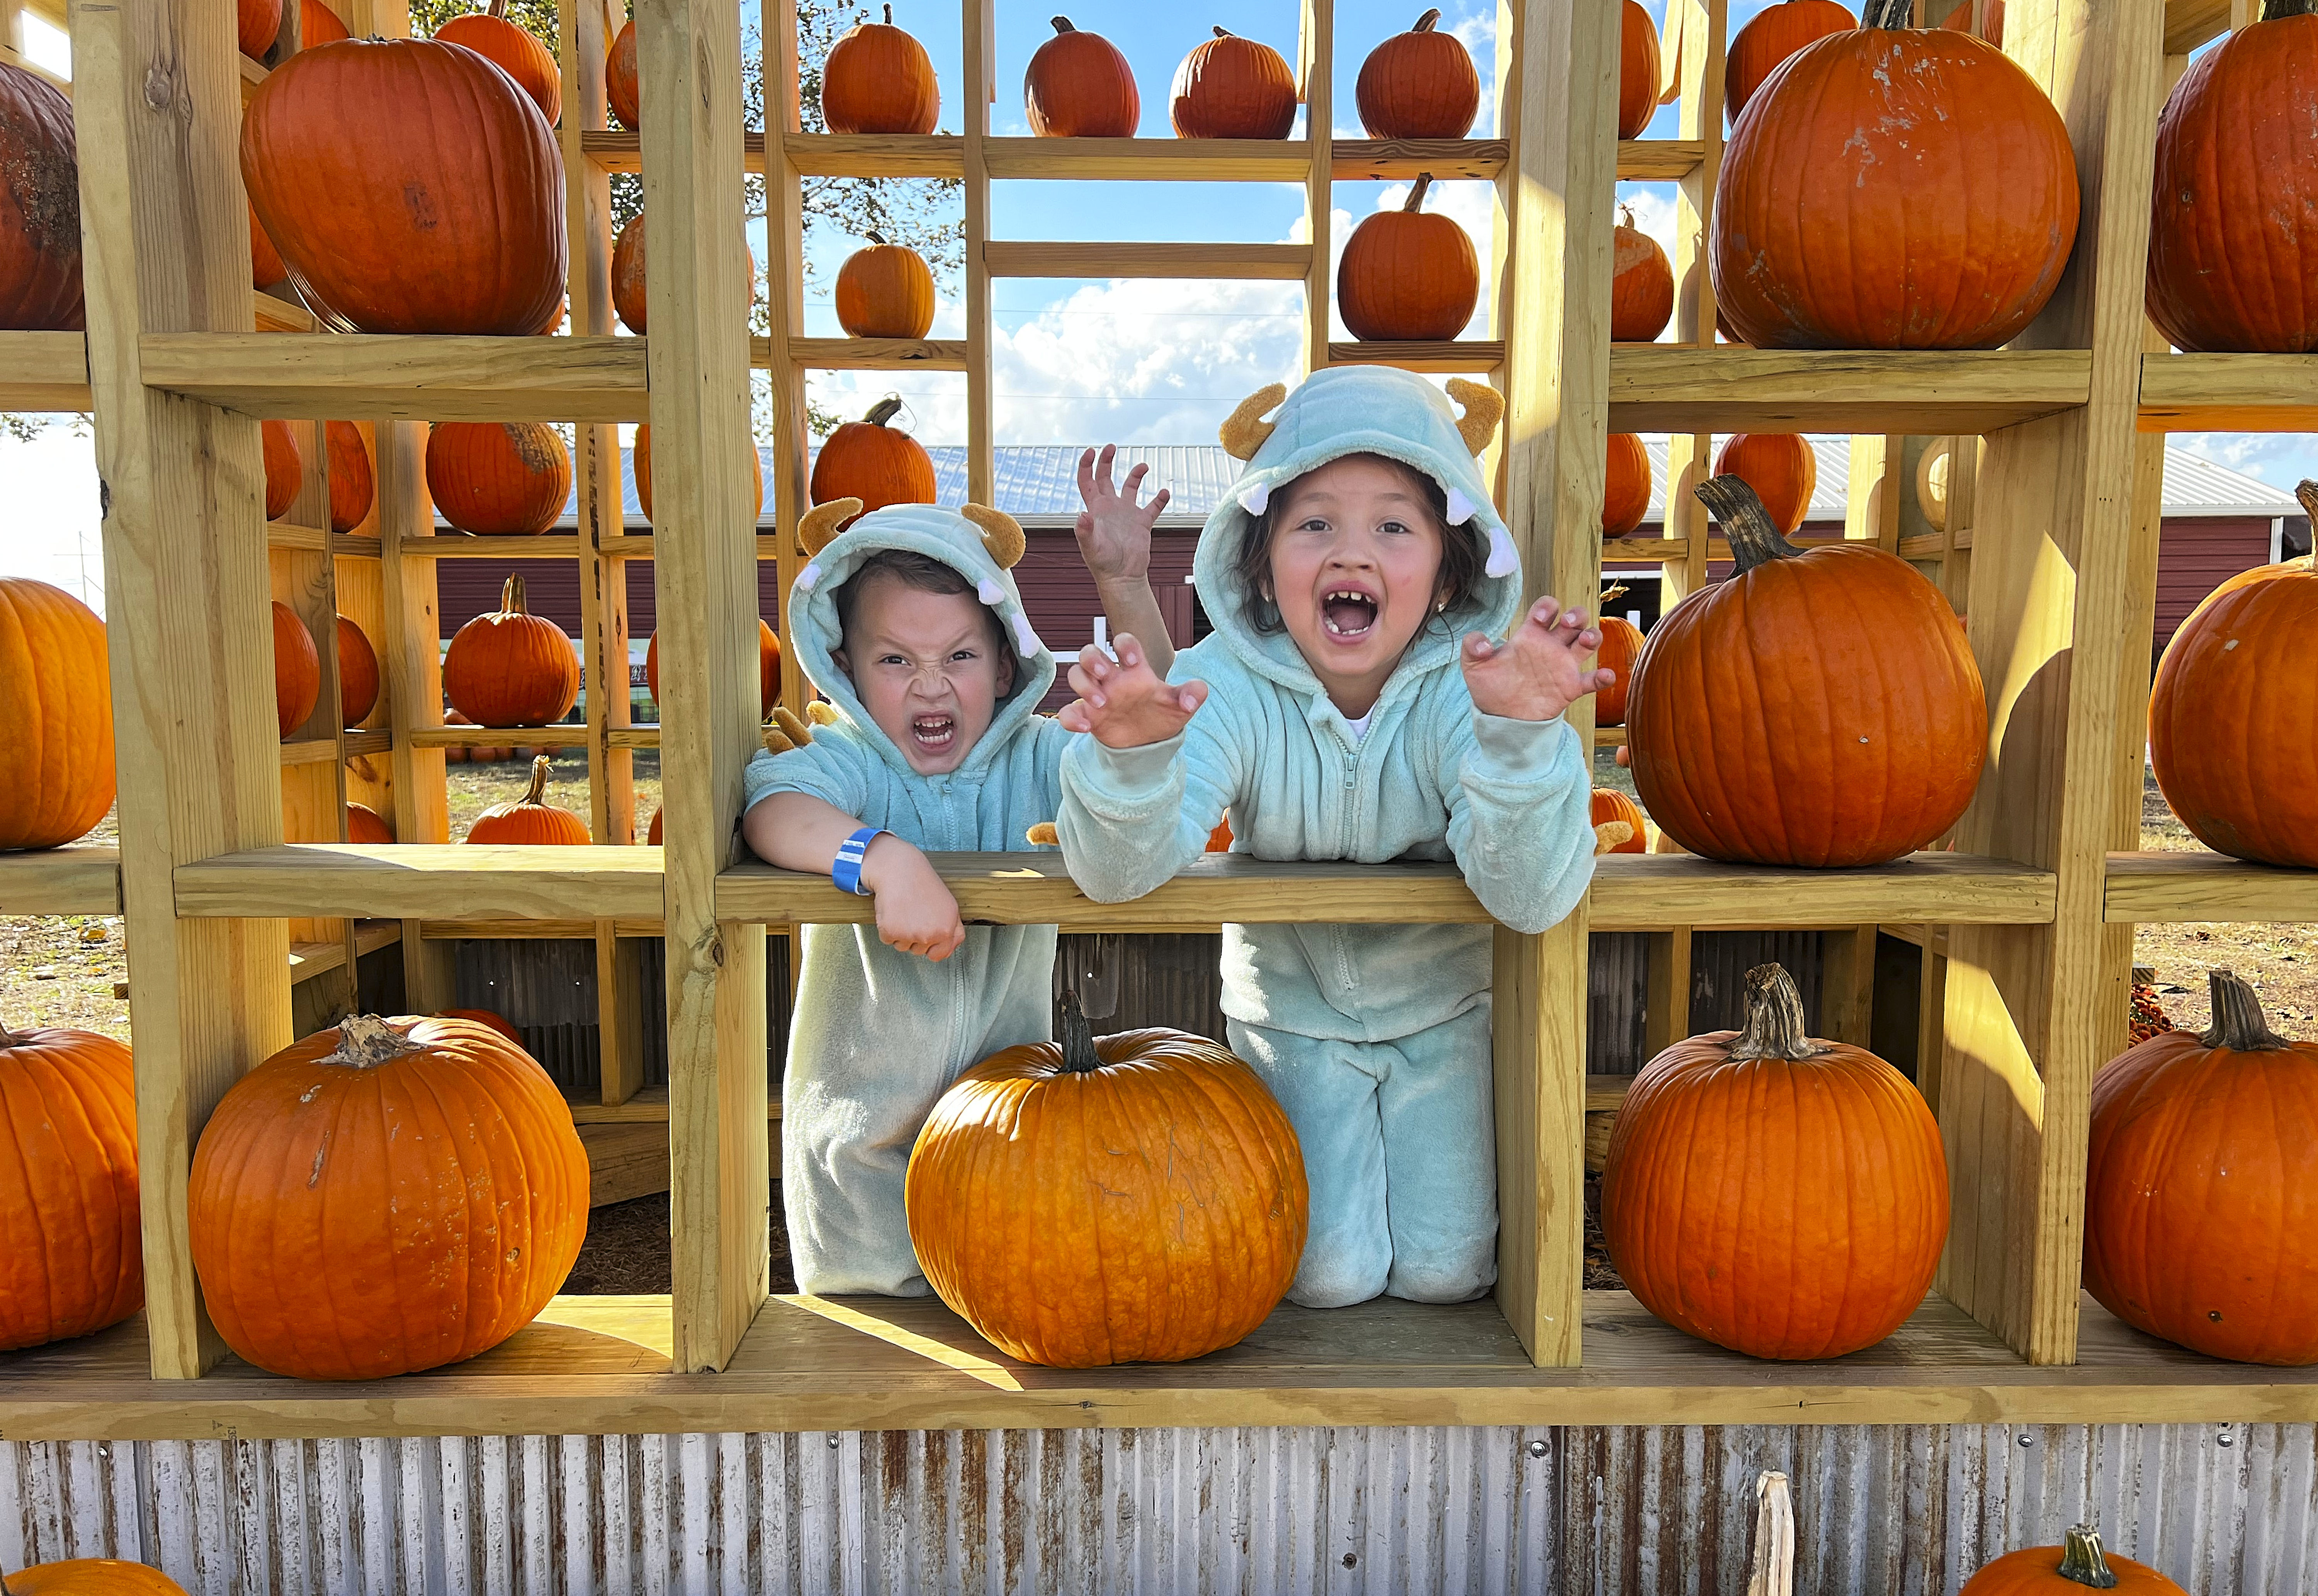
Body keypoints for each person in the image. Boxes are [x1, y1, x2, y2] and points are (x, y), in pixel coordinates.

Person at [1054, 367, 1607, 1309]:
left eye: (1394, 526)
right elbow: (1119, 876)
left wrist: (1517, 738)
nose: (1352, 551)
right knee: (1325, 1276)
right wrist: (1138, 762)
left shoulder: (1457, 689)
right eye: (1315, 523)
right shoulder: (1227, 683)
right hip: (1292, 1024)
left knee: (1450, 1271)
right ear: (1260, 560)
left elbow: (1531, 894)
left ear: (1447, 567)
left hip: (1442, 1016)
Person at [741, 452, 1173, 1296]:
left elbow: (1149, 731)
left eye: (961, 657)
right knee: (872, 1356)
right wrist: (881, 857)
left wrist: (1126, 590)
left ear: (1008, 665)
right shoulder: (852, 762)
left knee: (995, 1321)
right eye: (896, 660)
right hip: (857, 1145)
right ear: (849, 671)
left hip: (1005, 1135)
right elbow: (772, 807)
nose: (930, 686)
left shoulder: (1039, 759)